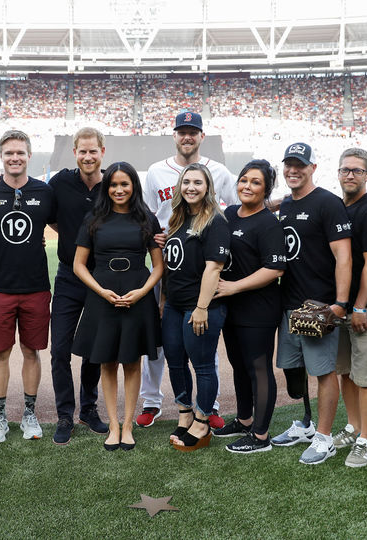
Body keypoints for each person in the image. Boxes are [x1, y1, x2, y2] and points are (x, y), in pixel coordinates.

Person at [139, 110, 237, 430]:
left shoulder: (219, 171)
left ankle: (207, 408)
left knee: (203, 348)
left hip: (202, 276)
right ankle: (153, 401)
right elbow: (149, 216)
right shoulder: (156, 172)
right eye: (182, 131)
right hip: (170, 269)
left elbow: (235, 210)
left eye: (193, 131)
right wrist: (155, 239)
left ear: (201, 136)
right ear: (175, 135)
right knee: (164, 346)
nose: (187, 136)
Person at [71, 162, 164, 451]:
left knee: (132, 362)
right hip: (103, 297)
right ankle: (113, 424)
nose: (119, 189)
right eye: (113, 184)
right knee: (107, 362)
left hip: (137, 296)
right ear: (106, 187)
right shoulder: (93, 219)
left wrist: (142, 292)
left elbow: (159, 267)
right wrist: (101, 291)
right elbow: (78, 265)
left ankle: (128, 425)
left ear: (134, 186)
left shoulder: (147, 219)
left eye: (125, 184)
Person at [271, 142, 352, 466]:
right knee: (294, 368)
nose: (293, 170)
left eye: (300, 165)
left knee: (323, 371)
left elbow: (343, 256)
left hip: (319, 305)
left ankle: (323, 437)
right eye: (289, 164)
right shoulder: (287, 204)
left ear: (313, 168)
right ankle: (305, 424)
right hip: (289, 301)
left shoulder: (328, 203)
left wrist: (341, 303)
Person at [0, 130, 56, 443]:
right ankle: (0, 418)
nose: (15, 158)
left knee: (32, 351)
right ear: (1, 157)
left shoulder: (44, 192)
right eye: (9, 153)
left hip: (36, 286)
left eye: (20, 153)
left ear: (29, 155)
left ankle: (30, 415)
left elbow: (62, 225)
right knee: (0, 352)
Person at [213, 160, 286, 454]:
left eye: (256, 182)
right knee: (239, 366)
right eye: (244, 180)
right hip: (232, 306)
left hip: (259, 308)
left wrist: (234, 286)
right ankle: (244, 420)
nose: (247, 186)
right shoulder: (230, 213)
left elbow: (275, 269)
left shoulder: (268, 222)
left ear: (266, 189)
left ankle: (260, 436)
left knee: (258, 368)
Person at [47, 127, 110, 445]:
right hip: (69, 276)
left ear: (102, 151)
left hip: (101, 279)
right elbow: (50, 217)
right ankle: (64, 414)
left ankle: (89, 408)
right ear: (75, 153)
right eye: (82, 151)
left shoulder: (112, 184)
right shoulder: (60, 182)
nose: (88, 156)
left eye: (93, 151)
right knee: (59, 348)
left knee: (93, 349)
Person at [163, 163, 230, 452]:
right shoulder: (177, 219)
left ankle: (202, 421)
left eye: (198, 183)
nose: (191, 187)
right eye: (186, 181)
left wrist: (202, 308)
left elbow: (214, 268)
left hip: (200, 307)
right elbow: (172, 264)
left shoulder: (215, 220)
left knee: (202, 365)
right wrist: (165, 301)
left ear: (208, 188)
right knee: (175, 362)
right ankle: (185, 413)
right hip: (174, 306)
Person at [333, 148, 367, 468]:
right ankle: (353, 427)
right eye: (345, 170)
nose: (350, 175)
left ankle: (366, 438)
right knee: (347, 373)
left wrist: (360, 306)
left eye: (356, 170)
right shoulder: (338, 207)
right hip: (342, 306)